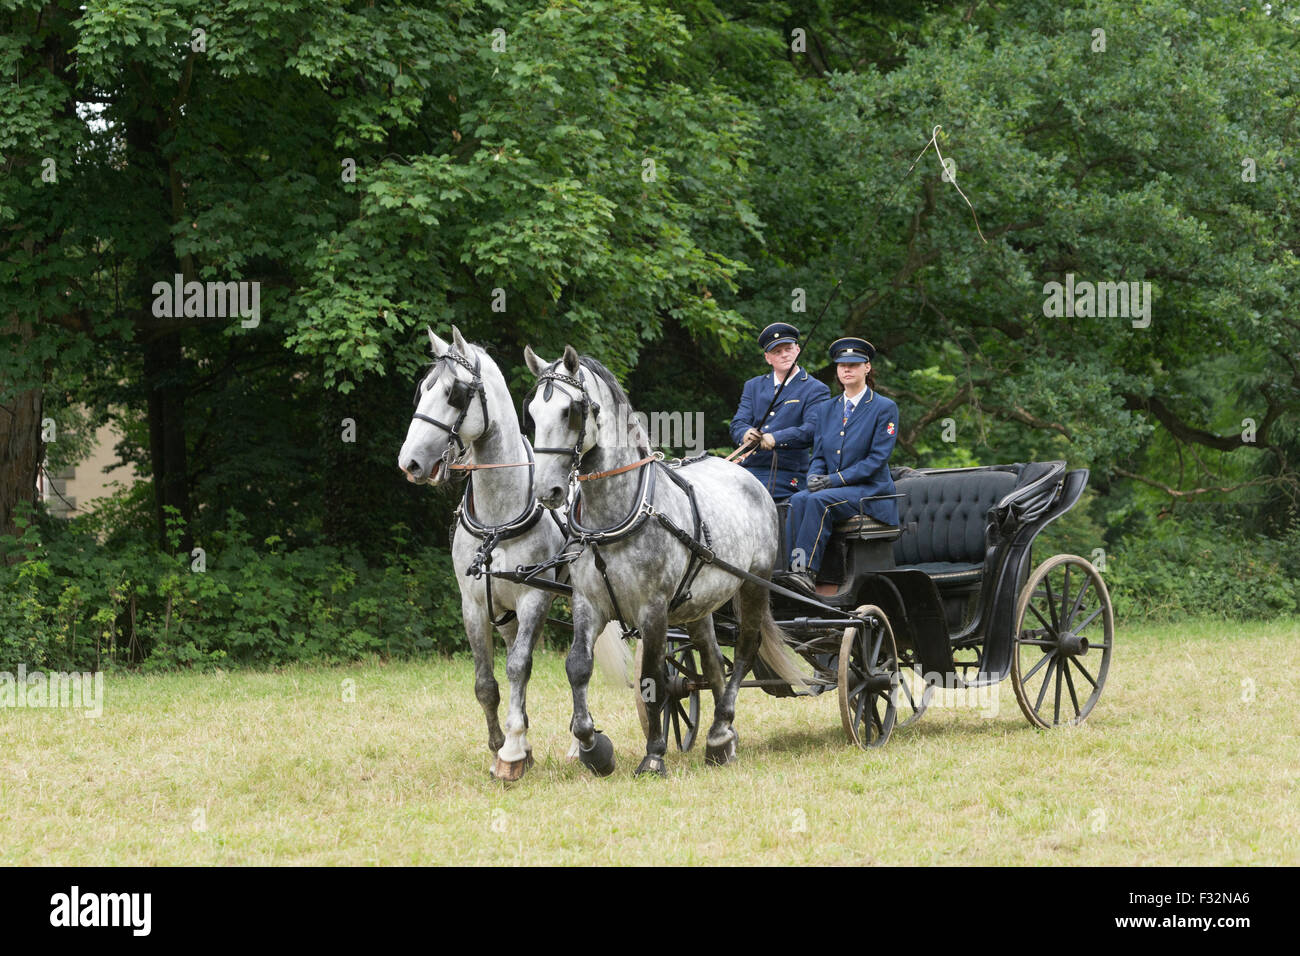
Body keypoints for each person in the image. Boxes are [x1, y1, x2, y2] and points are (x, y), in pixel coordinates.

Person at [783, 336, 899, 595]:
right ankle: (787, 572)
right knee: (798, 499)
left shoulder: (883, 408)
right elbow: (820, 456)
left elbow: (876, 460)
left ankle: (804, 572)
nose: (846, 369)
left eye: (854, 364)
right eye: (841, 365)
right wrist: (814, 476)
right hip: (835, 490)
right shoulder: (827, 409)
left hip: (870, 491)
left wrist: (832, 481)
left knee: (817, 501)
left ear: (866, 368)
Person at [729, 322, 830, 501]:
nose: (784, 355)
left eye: (788, 349)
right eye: (777, 352)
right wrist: (746, 434)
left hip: (787, 473)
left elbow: (813, 429)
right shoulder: (753, 386)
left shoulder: (816, 389)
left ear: (797, 350)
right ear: (768, 358)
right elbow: (738, 423)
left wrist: (776, 439)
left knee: (746, 498)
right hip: (749, 467)